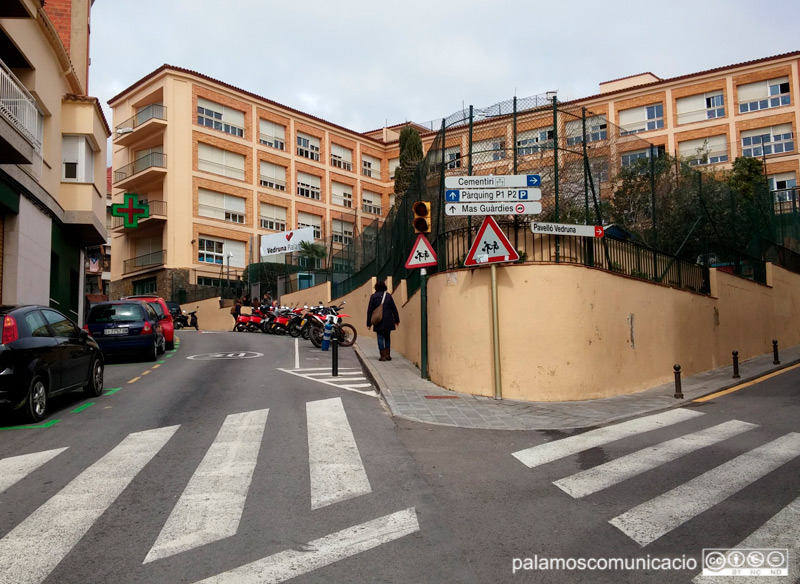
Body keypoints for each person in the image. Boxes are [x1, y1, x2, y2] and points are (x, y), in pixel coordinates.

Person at [366, 280, 400, 361]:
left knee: (380, 337)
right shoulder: (388, 296)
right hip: (388, 320)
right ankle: (388, 354)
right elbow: (394, 308)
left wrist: (368, 323)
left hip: (378, 321)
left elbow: (369, 310)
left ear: (376, 287)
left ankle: (382, 355)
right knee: (387, 337)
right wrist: (397, 320)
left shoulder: (373, 297)